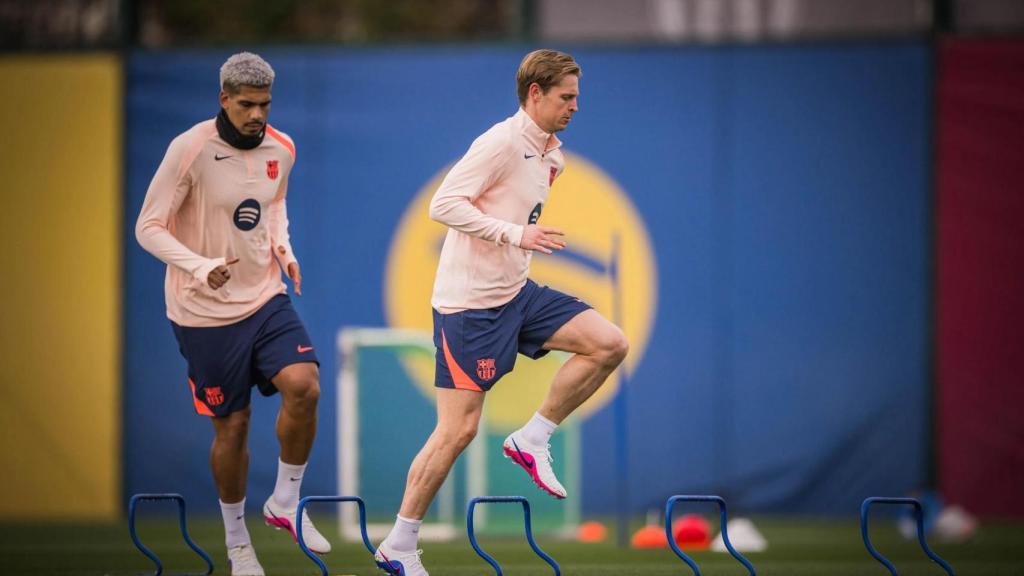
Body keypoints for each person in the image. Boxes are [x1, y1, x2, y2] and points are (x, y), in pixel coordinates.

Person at [374, 49, 629, 575]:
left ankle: (533, 437)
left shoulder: (551, 155)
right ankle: (399, 544)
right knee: (457, 431)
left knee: (609, 343)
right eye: (566, 97)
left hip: (517, 294)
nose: (575, 107)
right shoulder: (500, 142)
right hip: (469, 307)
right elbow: (442, 204)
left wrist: (516, 244)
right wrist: (516, 234)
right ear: (535, 93)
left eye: (577, 97)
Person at [135, 52, 329, 576]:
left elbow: (274, 204)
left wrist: (284, 252)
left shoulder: (281, 148)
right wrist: (198, 267)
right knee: (234, 425)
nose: (256, 115)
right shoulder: (191, 149)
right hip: (202, 312)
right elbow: (148, 227)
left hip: (264, 296)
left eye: (264, 104)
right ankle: (238, 540)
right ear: (224, 99)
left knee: (304, 385)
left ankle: (285, 503)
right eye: (246, 105)